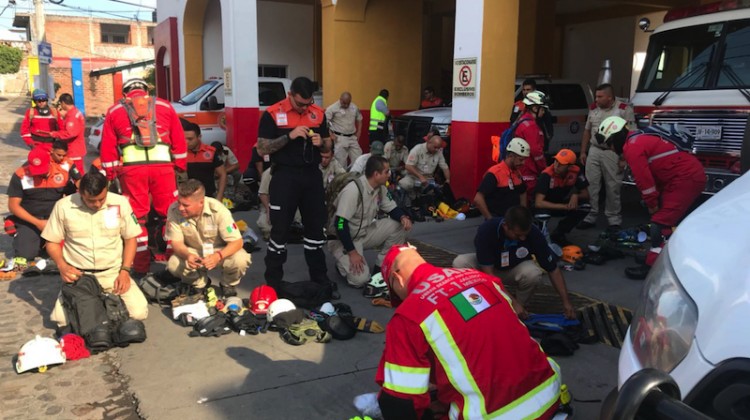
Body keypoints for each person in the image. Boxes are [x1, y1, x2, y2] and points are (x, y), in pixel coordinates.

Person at [376, 244, 562, 419]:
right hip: (549, 396)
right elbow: (477, 338)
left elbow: (400, 401)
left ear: (397, 279)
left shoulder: (409, 315)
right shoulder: (482, 279)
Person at [596, 116, 706, 280]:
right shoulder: (639, 139)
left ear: (616, 137)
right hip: (681, 179)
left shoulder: (632, 147)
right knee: (669, 223)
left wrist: (652, 203)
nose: (612, 149)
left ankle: (652, 266)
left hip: (684, 180)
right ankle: (664, 257)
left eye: (610, 144)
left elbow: (644, 181)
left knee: (659, 225)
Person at [100, 77, 187, 278]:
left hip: (132, 171)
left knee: (136, 218)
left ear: (125, 94)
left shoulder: (114, 111)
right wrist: (180, 165)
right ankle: (174, 259)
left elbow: (108, 146)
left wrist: (111, 173)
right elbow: (178, 137)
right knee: (171, 213)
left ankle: (140, 267)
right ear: (147, 91)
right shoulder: (165, 106)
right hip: (163, 169)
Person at [42, 171, 148, 329]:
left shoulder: (120, 203)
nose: (97, 204)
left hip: (112, 273)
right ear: (81, 193)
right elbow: (51, 241)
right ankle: (95, 308)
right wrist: (62, 266)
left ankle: (95, 309)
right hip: (79, 276)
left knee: (138, 313)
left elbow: (130, 238)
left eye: (101, 199)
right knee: (63, 321)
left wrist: (125, 271)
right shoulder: (63, 206)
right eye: (91, 201)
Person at [256, 76, 333, 289]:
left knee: (316, 230)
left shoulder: (318, 113)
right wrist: (289, 137)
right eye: (300, 104)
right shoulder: (273, 113)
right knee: (279, 231)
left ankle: (320, 279)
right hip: (284, 177)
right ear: (290, 95)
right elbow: (262, 148)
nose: (304, 108)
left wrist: (322, 144)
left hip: (311, 176)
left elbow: (328, 145)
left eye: (308, 104)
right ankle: (273, 282)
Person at [453, 206, 576, 319]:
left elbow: (553, 269)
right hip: (489, 269)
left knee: (533, 273)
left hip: (512, 268)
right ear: (506, 226)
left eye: (525, 235)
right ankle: (475, 306)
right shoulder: (487, 231)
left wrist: (566, 302)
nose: (522, 238)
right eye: (518, 235)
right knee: (460, 263)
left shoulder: (534, 233)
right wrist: (513, 301)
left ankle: (517, 311)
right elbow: (490, 276)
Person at [328, 156, 412, 289]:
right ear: (376, 174)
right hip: (343, 239)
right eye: (386, 171)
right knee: (360, 280)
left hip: (364, 233)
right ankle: (341, 266)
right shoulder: (353, 190)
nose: (389, 174)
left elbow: (392, 208)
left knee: (398, 225)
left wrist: (403, 217)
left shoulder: (381, 188)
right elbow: (340, 224)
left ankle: (381, 267)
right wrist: (352, 252)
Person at [165, 179, 251, 297]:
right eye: (179, 202)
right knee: (173, 263)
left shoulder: (218, 210)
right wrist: (187, 255)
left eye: (185, 205)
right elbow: (176, 243)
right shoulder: (174, 210)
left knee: (240, 259)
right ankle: (199, 284)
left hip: (219, 250)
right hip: (193, 251)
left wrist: (218, 256)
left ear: (201, 202)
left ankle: (228, 284)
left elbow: (237, 242)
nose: (180, 208)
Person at [7, 145, 80, 269]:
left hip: (55, 219)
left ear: (50, 161)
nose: (40, 174)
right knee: (25, 254)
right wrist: (38, 223)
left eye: (42, 170)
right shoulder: (20, 175)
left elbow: (72, 197)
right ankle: (24, 234)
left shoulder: (62, 173)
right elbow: (13, 206)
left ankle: (44, 243)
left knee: (68, 252)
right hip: (30, 219)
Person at [578, 83, 635, 231]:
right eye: (596, 96)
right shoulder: (593, 109)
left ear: (609, 97)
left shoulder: (623, 110)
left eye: (600, 96)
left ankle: (613, 219)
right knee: (591, 184)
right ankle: (590, 215)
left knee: (613, 185)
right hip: (595, 149)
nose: (596, 99)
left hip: (613, 152)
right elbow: (587, 131)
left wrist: (624, 158)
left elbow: (631, 136)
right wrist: (583, 151)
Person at [535, 149, 591, 245]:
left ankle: (560, 232)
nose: (557, 165)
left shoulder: (575, 172)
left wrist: (576, 195)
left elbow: (586, 194)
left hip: (561, 202)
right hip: (545, 206)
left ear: (569, 166)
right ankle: (540, 240)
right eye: (556, 161)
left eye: (561, 164)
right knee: (543, 215)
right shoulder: (546, 175)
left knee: (585, 206)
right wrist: (563, 207)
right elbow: (538, 203)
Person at [474, 137, 529, 220]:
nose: (523, 163)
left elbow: (523, 192)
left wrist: (523, 214)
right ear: (511, 156)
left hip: (514, 220)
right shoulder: (495, 173)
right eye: (521, 160)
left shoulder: (517, 172)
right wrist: (490, 219)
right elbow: (478, 199)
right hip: (499, 219)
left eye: (524, 160)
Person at [515, 91, 550, 196]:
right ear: (535, 108)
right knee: (528, 199)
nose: (543, 112)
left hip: (522, 167)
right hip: (528, 169)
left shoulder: (522, 120)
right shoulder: (531, 126)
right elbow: (536, 151)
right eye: (543, 109)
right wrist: (544, 169)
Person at [182, 120, 227, 201]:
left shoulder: (211, 152)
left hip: (208, 196)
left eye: (190, 139)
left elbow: (222, 174)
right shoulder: (180, 154)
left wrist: (220, 196)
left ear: (199, 137)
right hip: (187, 197)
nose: (186, 142)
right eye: (184, 139)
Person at [511, 79, 554, 149]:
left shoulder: (541, 106)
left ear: (534, 90)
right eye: (524, 90)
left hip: (538, 141)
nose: (525, 92)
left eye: (528, 89)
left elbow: (548, 124)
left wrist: (547, 138)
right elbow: (512, 122)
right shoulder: (518, 105)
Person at [49, 93, 86, 173]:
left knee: (76, 173)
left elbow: (70, 133)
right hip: (76, 148)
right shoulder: (75, 112)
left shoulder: (72, 116)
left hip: (74, 150)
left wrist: (55, 134)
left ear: (63, 103)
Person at [325, 91, 363, 168]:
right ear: (340, 99)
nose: (346, 105)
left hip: (352, 137)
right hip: (339, 138)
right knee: (341, 163)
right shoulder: (332, 108)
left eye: (348, 103)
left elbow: (359, 119)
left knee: (359, 159)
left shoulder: (354, 107)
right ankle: (342, 178)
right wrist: (330, 133)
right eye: (344, 103)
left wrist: (359, 131)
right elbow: (326, 121)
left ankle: (352, 176)